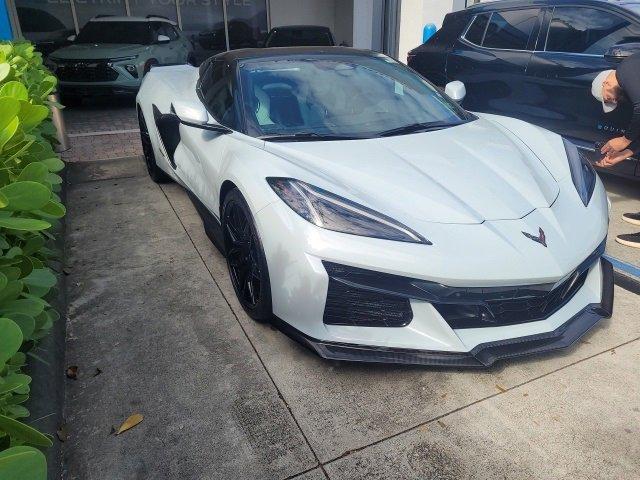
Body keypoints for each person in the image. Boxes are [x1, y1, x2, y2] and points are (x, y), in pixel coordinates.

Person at [591, 52, 640, 248]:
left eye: (608, 99)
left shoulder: (626, 69)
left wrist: (624, 140)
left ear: (605, 84)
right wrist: (625, 153)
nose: (614, 102)